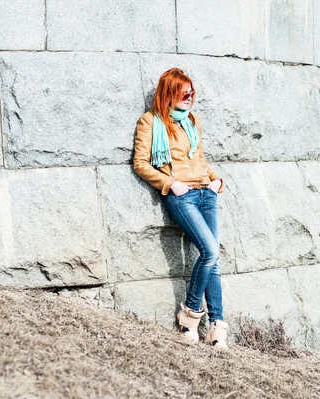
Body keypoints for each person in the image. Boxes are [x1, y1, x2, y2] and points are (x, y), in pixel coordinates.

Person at [133, 67, 229, 349]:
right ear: (169, 94)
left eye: (192, 93)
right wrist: (170, 183)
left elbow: (198, 158)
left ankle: (216, 328)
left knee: (214, 260)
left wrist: (216, 179)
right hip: (182, 195)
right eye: (183, 92)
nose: (189, 97)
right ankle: (188, 317)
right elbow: (140, 163)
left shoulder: (191, 121)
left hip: (206, 193)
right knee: (210, 252)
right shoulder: (150, 122)